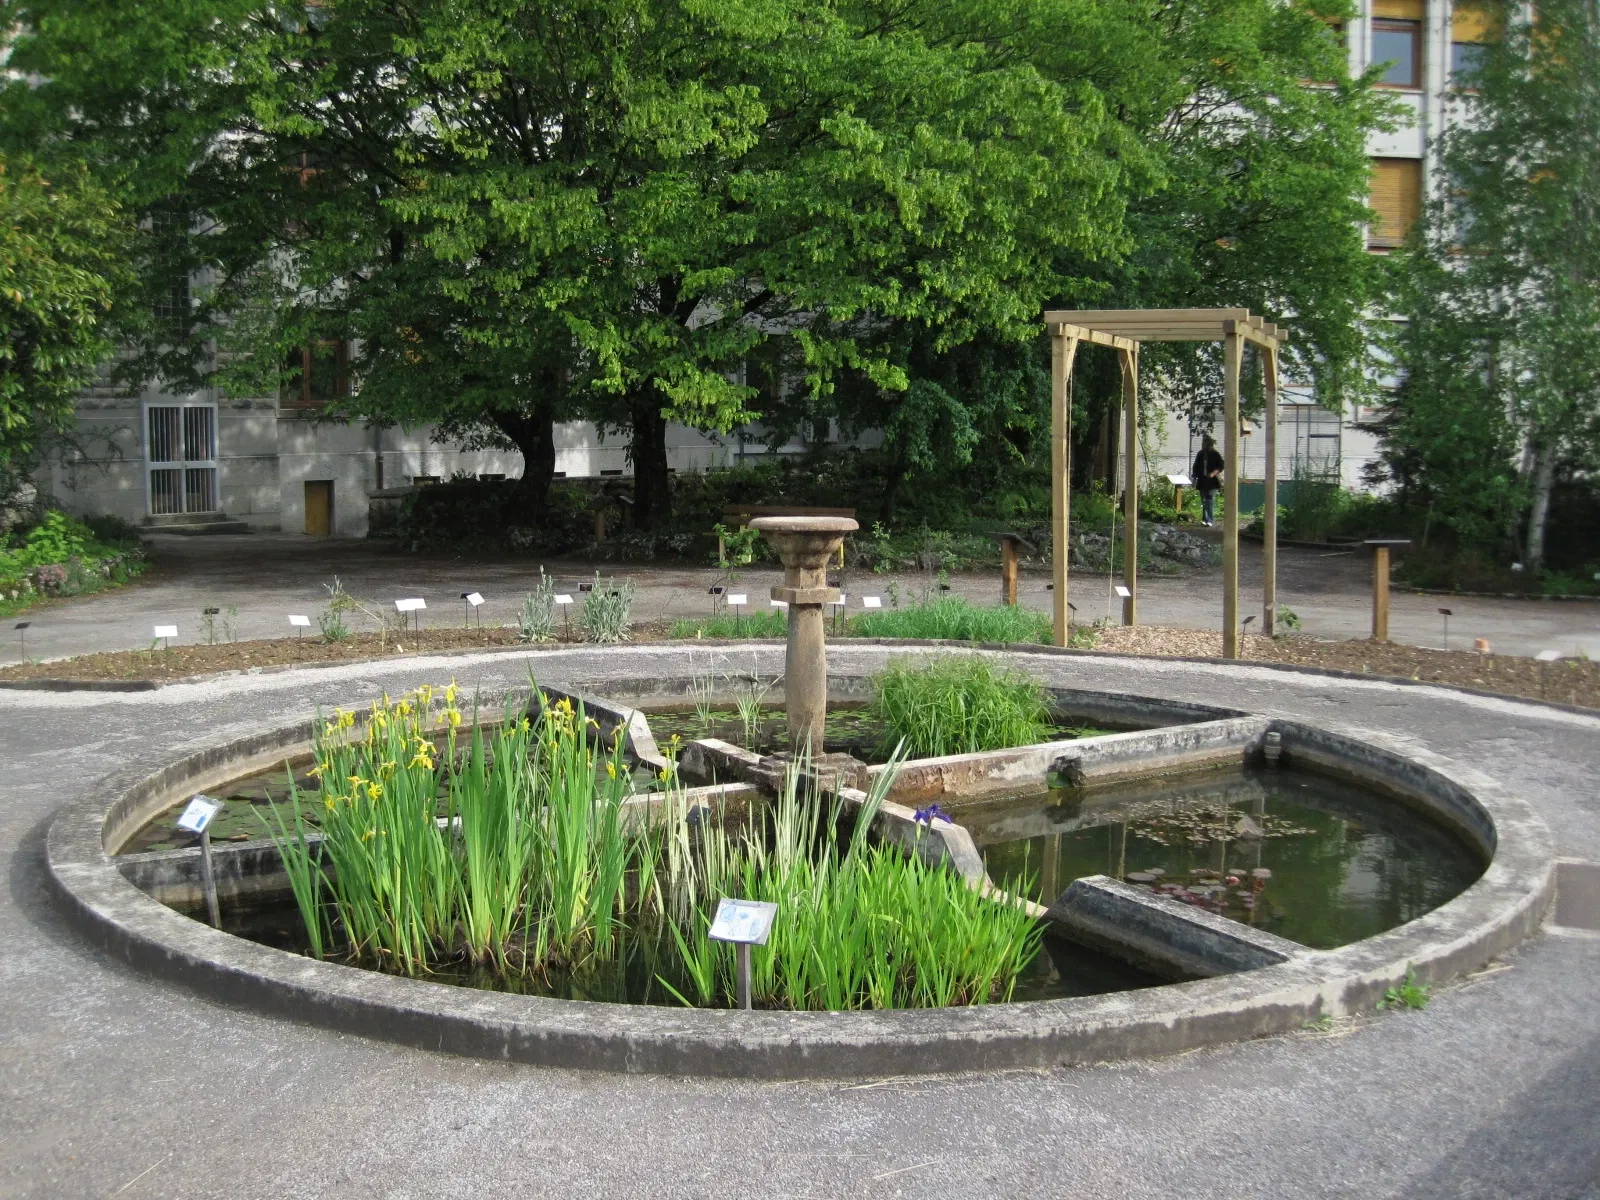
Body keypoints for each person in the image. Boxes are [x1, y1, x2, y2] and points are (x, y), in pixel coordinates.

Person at [1191, 434, 1224, 526]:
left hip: (1212, 481)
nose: (1202, 444)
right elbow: (1195, 467)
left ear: (1208, 444)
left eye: (1204, 443)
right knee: (1204, 501)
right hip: (1202, 481)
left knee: (1209, 500)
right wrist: (1194, 479)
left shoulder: (1215, 453)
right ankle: (1205, 519)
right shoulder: (1200, 454)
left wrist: (1214, 473)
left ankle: (1210, 520)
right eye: (1202, 442)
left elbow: (1221, 465)